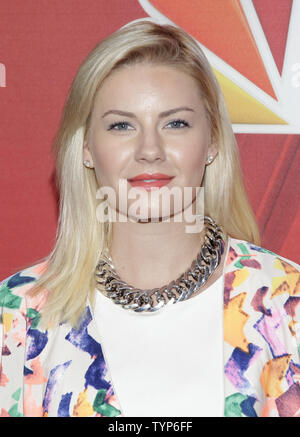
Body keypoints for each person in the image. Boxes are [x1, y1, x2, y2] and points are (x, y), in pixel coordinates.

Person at [0, 20, 299, 418]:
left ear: (211, 141)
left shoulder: (287, 303)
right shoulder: (16, 316)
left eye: (175, 123)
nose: (150, 150)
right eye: (122, 125)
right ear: (86, 147)